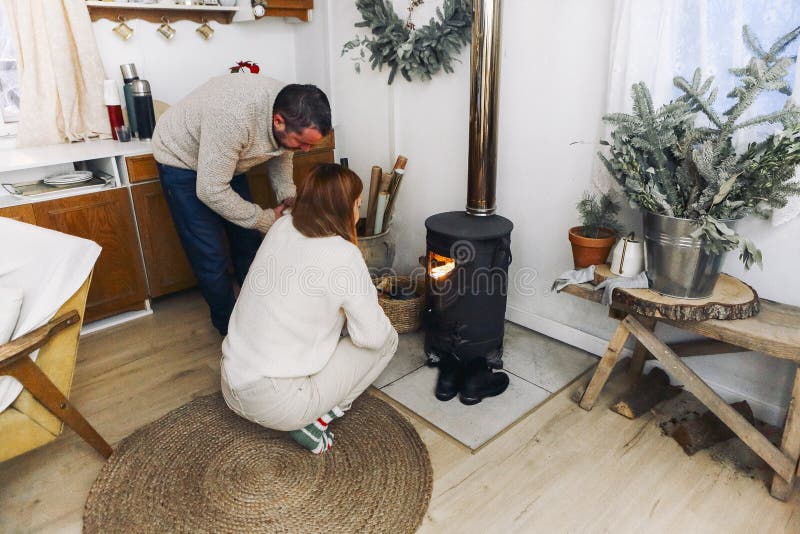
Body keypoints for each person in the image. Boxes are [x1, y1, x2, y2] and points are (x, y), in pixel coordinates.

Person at [220, 163, 398, 454]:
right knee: (387, 337)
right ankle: (316, 422)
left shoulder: (282, 225)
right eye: (356, 205)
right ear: (342, 209)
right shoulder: (343, 254)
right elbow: (374, 337)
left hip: (232, 380)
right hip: (277, 403)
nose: (358, 214)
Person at [152, 75, 332, 336]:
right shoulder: (233, 118)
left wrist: (288, 197)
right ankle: (230, 330)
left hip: (225, 158)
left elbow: (281, 154)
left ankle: (257, 314)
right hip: (181, 160)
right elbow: (211, 189)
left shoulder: (288, 108)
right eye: (303, 142)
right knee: (211, 256)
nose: (305, 149)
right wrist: (266, 219)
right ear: (278, 121)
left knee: (247, 242)